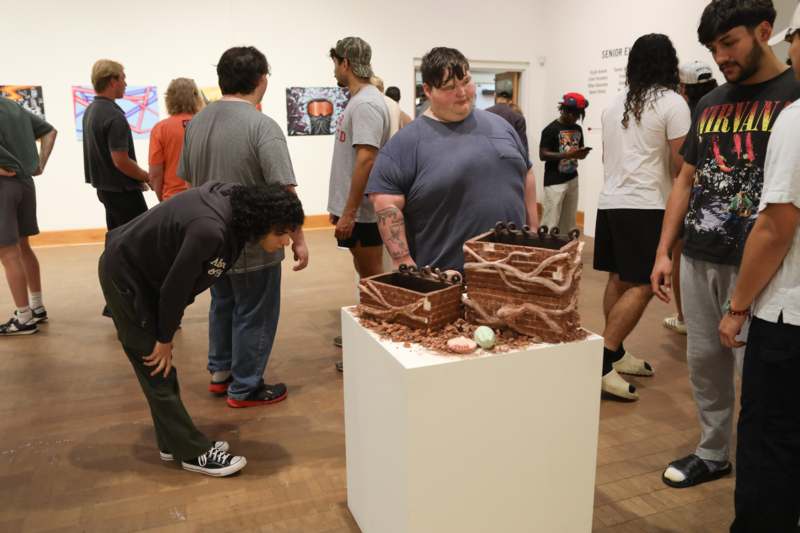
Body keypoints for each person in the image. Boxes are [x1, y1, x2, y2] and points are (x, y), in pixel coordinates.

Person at [651, 0, 800, 489]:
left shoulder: (792, 98)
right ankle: (713, 451)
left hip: (764, 268)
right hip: (699, 256)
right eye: (713, 48)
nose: (721, 57)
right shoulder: (710, 103)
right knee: (704, 363)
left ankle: (766, 472)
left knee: (760, 378)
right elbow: (685, 179)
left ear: (765, 30)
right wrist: (664, 251)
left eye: (729, 43)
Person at [99, 181, 304, 477]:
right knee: (156, 367)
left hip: (147, 274)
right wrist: (164, 337)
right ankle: (192, 453)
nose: (286, 240)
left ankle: (173, 441)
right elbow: (175, 288)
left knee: (160, 370)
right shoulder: (210, 230)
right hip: (127, 278)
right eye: (282, 232)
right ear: (262, 221)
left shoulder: (236, 212)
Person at [179, 46, 309, 407]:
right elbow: (284, 189)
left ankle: (221, 375)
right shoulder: (261, 125)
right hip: (256, 241)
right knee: (255, 310)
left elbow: (189, 180)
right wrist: (298, 237)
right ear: (261, 79)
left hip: (211, 240)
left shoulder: (198, 123)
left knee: (223, 303)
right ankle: (246, 386)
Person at [719, 10, 800, 530]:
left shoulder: (795, 117)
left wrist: (738, 306)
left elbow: (775, 226)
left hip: (789, 318)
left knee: (770, 450)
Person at [367, 47, 538, 273]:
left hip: (514, 268)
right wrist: (402, 259)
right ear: (428, 90)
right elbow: (385, 204)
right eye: (449, 87)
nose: (462, 92)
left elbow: (526, 174)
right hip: (448, 278)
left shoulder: (501, 125)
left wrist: (533, 230)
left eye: (466, 81)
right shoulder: (405, 144)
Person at [595, 34, 691, 401]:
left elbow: (607, 158)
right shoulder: (672, 102)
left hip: (611, 202)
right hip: (648, 205)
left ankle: (614, 352)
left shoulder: (613, 104)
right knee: (645, 284)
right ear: (669, 62)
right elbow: (683, 164)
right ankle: (603, 359)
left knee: (618, 278)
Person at [326, 37, 390, 359]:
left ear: (346, 63)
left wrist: (349, 211)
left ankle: (374, 350)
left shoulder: (365, 103)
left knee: (373, 279)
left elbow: (367, 158)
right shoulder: (360, 100)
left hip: (364, 212)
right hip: (356, 211)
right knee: (365, 276)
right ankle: (367, 335)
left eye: (335, 62)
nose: (335, 70)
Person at [82, 59, 150, 318]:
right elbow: (120, 160)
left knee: (118, 246)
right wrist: (146, 176)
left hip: (107, 190)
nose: (126, 82)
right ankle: (134, 306)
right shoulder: (113, 115)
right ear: (112, 81)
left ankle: (116, 302)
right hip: (123, 193)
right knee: (137, 248)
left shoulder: (92, 111)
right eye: (123, 77)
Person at [662, 61, 720, 335]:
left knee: (680, 256)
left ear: (684, 88)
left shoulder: (690, 113)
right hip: (720, 199)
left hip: (694, 196)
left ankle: (685, 316)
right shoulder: (723, 105)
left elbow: (682, 166)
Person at [0, 97, 57, 335]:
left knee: (7, 251)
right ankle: (37, 306)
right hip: (25, 183)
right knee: (24, 246)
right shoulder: (11, 105)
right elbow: (50, 132)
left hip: (3, 185)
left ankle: (23, 317)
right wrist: (39, 164)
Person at [538, 92, 590, 232]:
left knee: (569, 222)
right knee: (550, 220)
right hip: (554, 180)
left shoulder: (577, 129)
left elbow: (578, 151)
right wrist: (566, 154)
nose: (575, 118)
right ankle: (547, 251)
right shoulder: (550, 129)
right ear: (564, 110)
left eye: (578, 115)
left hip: (572, 178)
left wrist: (581, 154)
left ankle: (566, 250)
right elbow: (543, 155)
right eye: (573, 114)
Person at [148, 78, 204, 202]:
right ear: (196, 97)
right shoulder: (207, 124)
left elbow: (155, 174)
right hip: (204, 198)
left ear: (169, 99)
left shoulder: (160, 129)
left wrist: (162, 200)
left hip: (173, 200)